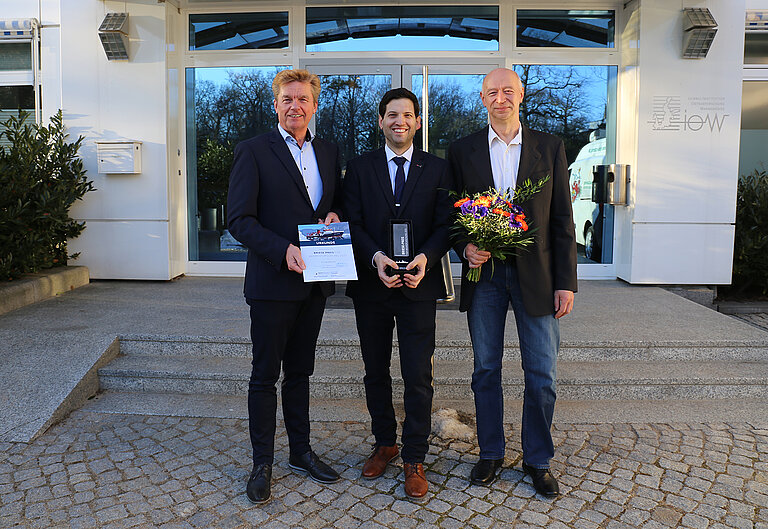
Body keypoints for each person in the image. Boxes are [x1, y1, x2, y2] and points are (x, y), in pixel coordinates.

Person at [446, 68, 577, 496]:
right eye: (491, 92)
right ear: (482, 99)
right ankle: (491, 453)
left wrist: (567, 282)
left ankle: (538, 460)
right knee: (486, 369)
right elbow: (449, 215)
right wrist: (465, 247)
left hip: (537, 276)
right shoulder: (462, 150)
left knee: (542, 372)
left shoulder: (550, 146)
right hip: (484, 276)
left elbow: (561, 219)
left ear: (521, 95)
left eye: (508, 91)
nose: (500, 98)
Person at [227, 69, 343, 504]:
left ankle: (301, 452)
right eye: (287, 99)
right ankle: (262, 463)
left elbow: (336, 201)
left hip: (313, 285)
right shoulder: (253, 151)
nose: (295, 106)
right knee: (264, 376)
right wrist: (282, 250)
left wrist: (334, 215)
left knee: (301, 373)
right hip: (272, 283)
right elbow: (239, 219)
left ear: (315, 105)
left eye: (303, 99)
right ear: (275, 104)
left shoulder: (328, 151)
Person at [342, 88, 453, 499]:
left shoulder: (438, 170)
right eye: (391, 115)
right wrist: (375, 258)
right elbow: (352, 222)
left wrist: (426, 256)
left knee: (418, 376)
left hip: (419, 286)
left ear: (418, 122)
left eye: (407, 115)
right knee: (375, 370)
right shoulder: (358, 167)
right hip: (373, 285)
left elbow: (446, 224)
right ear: (381, 121)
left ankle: (415, 456)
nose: (399, 121)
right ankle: (385, 442)